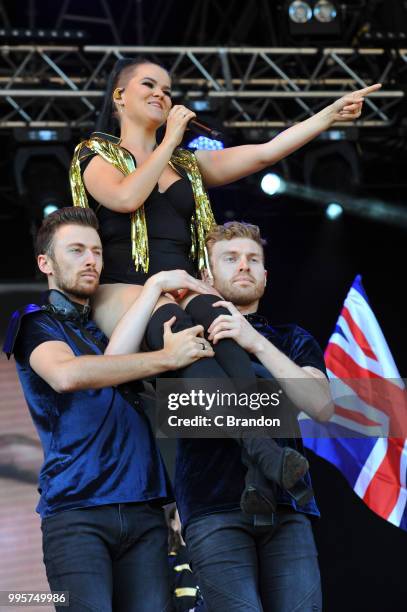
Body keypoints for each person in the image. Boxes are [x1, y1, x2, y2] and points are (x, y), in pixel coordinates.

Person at [69, 57, 379, 512]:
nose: (162, 94)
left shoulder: (188, 165)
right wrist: (171, 136)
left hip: (184, 280)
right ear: (119, 97)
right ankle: (261, 451)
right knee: (177, 323)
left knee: (225, 323)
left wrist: (326, 115)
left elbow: (266, 152)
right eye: (149, 85)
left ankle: (258, 465)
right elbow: (126, 196)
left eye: (168, 89)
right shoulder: (94, 154)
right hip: (127, 285)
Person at [2, 206, 215, 612]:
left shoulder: (111, 325)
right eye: (77, 250)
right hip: (77, 511)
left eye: (97, 252)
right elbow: (66, 376)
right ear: (45, 263)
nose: (90, 260)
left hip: (146, 509)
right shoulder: (34, 322)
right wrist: (165, 360)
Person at [175, 221, 333, 612]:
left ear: (265, 275)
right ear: (206, 274)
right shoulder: (185, 334)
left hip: (287, 504)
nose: (243, 266)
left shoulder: (291, 338)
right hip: (213, 504)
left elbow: (322, 406)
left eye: (252, 259)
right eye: (230, 259)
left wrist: (255, 342)